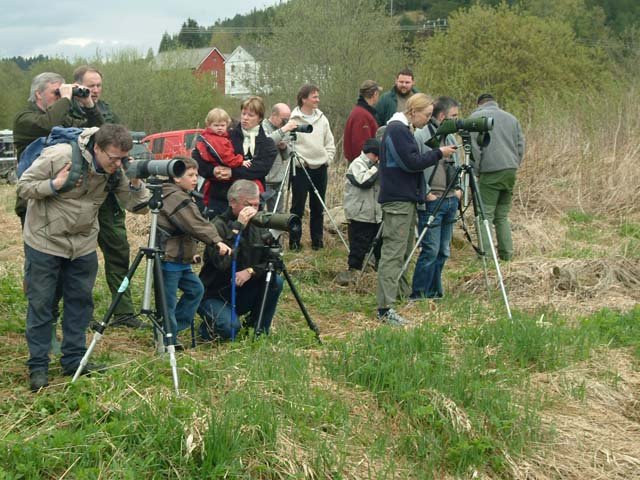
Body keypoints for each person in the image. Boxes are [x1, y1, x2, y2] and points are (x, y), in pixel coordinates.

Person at [17, 124, 150, 392]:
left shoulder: (117, 169)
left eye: (122, 158)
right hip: (44, 241)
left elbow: (137, 206)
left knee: (80, 305)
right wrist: (54, 185)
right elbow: (23, 186)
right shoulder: (61, 155)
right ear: (97, 148)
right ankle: (38, 367)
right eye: (112, 158)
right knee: (42, 305)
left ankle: (74, 361)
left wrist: (135, 182)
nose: (117, 163)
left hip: (83, 245)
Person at [376, 93, 457, 326]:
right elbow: (411, 162)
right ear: (413, 112)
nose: (428, 120)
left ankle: (399, 296)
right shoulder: (398, 130)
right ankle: (385, 308)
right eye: (427, 115)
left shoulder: (403, 129)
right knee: (393, 253)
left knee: (404, 250)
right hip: (398, 201)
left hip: (405, 198)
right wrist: (438, 154)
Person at [74, 65, 140, 328]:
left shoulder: (106, 110)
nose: (95, 90)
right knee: (80, 258)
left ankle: (123, 311)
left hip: (109, 194)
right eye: (91, 85)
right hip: (81, 195)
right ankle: (81, 313)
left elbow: (111, 137)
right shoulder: (67, 110)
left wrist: (93, 107)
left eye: (99, 85)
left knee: (118, 251)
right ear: (78, 84)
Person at [157, 157, 231, 346]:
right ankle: (167, 340)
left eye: (196, 175)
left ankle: (174, 329)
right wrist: (217, 241)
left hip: (181, 259)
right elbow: (195, 225)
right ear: (176, 178)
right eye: (190, 175)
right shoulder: (175, 197)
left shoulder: (182, 195)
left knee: (195, 290)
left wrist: (192, 253)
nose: (195, 179)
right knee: (168, 302)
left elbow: (185, 231)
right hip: (169, 259)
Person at [198, 180, 284, 341]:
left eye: (256, 205)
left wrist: (251, 272)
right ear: (232, 202)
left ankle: (257, 330)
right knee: (229, 328)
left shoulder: (258, 224)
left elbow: (274, 261)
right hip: (215, 293)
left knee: (274, 281)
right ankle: (209, 328)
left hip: (243, 289)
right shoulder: (217, 226)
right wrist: (238, 228)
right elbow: (223, 264)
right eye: (248, 205)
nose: (253, 210)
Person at [13, 72, 104, 224]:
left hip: (62, 198)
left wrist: (89, 105)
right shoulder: (24, 119)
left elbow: (98, 132)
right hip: (34, 197)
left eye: (61, 92)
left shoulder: (63, 119)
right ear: (38, 94)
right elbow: (49, 125)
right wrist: (66, 98)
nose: (59, 96)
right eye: (56, 92)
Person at [411, 96, 463, 299]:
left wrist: (459, 190)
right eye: (454, 116)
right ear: (442, 116)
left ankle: (434, 292)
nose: (457, 120)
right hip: (433, 201)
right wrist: (424, 193)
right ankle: (419, 294)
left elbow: (459, 164)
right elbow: (415, 166)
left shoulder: (450, 138)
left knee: (443, 252)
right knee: (430, 251)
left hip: (450, 199)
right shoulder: (421, 136)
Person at [194, 96, 277, 216]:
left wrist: (232, 172)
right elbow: (198, 156)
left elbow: (259, 169)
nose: (245, 118)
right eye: (243, 113)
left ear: (259, 118)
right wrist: (213, 170)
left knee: (248, 233)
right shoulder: (225, 134)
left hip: (250, 200)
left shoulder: (267, 144)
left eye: (250, 115)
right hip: (220, 196)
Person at [470, 93, 525, 261]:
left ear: (479, 104)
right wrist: (514, 164)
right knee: (501, 216)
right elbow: (520, 146)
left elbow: (474, 150)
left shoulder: (476, 118)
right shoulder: (511, 118)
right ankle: (507, 254)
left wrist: (476, 172)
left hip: (490, 172)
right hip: (510, 170)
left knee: (484, 216)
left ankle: (486, 257)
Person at [288, 84, 336, 250]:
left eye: (317, 96)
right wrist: (297, 161)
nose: (317, 100)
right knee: (297, 207)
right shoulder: (293, 119)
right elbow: (288, 143)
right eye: (314, 97)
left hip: (320, 168)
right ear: (304, 99)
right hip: (301, 168)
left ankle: (317, 242)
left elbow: (330, 142)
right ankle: (294, 243)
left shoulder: (322, 119)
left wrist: (327, 159)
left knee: (318, 207)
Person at [336, 138, 383, 286]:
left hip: (375, 215)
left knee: (379, 246)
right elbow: (364, 181)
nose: (378, 159)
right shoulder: (356, 164)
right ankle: (352, 275)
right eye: (377, 156)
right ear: (371, 154)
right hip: (360, 215)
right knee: (358, 246)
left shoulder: (374, 165)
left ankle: (377, 274)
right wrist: (378, 168)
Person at [195, 107, 255, 211]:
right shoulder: (216, 140)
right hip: (219, 184)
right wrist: (241, 161)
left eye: (222, 125)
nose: (219, 128)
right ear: (209, 125)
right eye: (216, 125)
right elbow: (226, 158)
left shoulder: (215, 137)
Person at [261, 103, 299, 212]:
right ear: (274, 115)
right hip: (264, 180)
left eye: (288, 119)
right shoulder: (262, 127)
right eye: (284, 119)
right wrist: (284, 129)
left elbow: (288, 155)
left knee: (277, 216)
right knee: (259, 215)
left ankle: (275, 230)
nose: (285, 122)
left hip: (278, 180)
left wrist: (284, 147)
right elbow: (267, 143)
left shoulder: (284, 129)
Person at [343, 80, 382, 162]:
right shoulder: (361, 115)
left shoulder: (361, 112)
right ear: (375, 94)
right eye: (378, 93)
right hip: (361, 165)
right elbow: (361, 145)